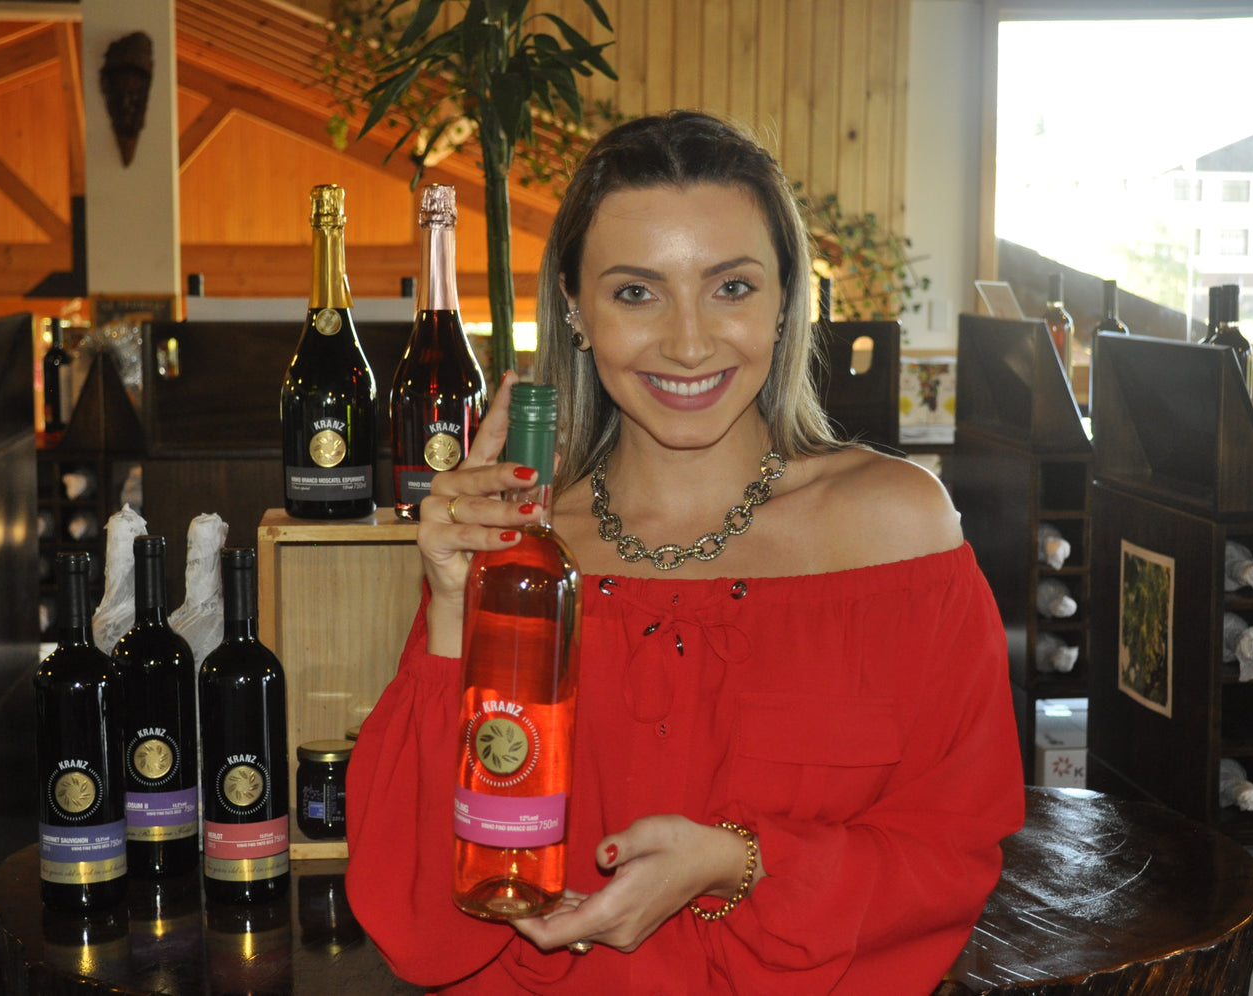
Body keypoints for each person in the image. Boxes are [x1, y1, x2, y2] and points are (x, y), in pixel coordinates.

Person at [345, 110, 1024, 994]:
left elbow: (950, 855)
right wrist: (449, 603)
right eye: (637, 293)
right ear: (575, 310)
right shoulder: (521, 554)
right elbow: (416, 921)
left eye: (731, 287)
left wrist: (739, 864)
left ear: (787, 300)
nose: (690, 342)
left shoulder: (897, 529)